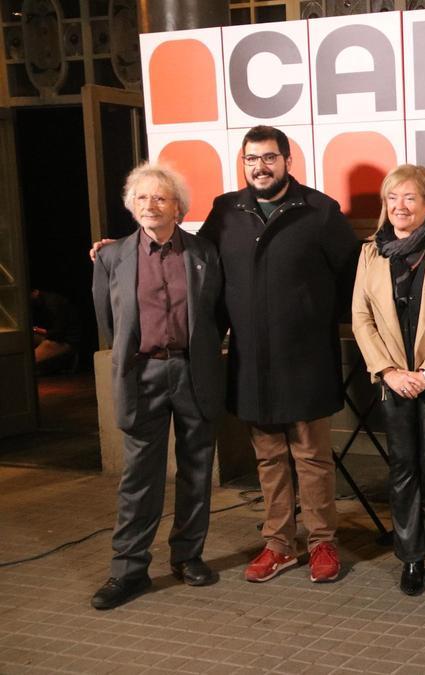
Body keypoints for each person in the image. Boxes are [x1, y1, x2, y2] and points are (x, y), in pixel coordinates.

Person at [199, 126, 360, 583]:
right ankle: (278, 545)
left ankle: (323, 541)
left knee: (312, 457)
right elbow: (199, 265)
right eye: (251, 159)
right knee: (268, 457)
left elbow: (353, 276)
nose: (260, 167)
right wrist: (122, 253)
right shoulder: (226, 211)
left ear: (288, 161)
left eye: (269, 158)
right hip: (251, 360)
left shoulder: (320, 211)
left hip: (307, 358)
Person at [89, 163, 224, 609]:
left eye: (160, 198)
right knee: (139, 477)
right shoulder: (111, 257)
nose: (150, 205)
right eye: (142, 198)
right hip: (142, 374)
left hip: (192, 371)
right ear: (131, 207)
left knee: (196, 470)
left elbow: (216, 315)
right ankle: (129, 570)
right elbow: (108, 322)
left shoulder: (205, 252)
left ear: (178, 209)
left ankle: (188, 557)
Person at [350, 164, 425, 596]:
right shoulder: (370, 252)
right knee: (402, 468)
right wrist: (387, 371)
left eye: (409, 198)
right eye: (392, 198)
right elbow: (360, 317)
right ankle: (412, 557)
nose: (400, 206)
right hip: (391, 379)